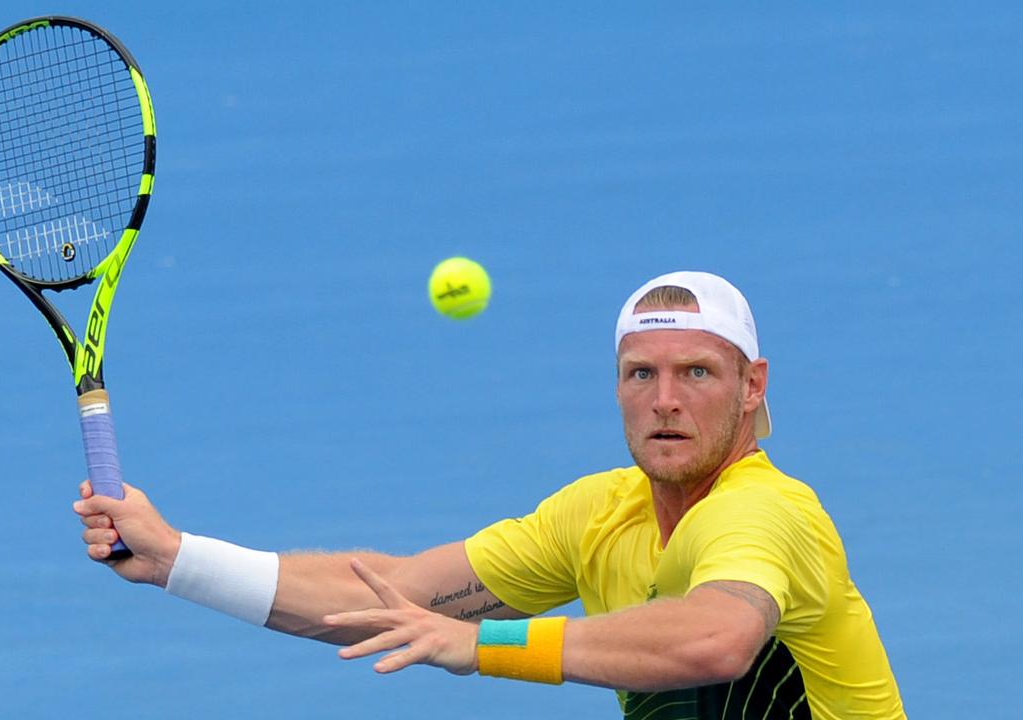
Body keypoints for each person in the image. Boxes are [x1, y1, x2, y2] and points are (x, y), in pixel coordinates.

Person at [74, 271, 906, 719]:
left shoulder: (766, 511)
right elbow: (389, 597)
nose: (665, 400)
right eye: (641, 374)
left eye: (698, 373)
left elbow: (715, 639)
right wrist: (178, 558)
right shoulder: (596, 515)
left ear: (753, 386)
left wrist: (483, 646)